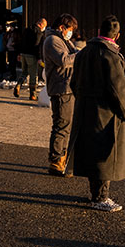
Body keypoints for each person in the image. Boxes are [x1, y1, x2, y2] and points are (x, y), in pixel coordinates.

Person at [68, 16, 125, 212]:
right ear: (118, 36)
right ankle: (100, 197)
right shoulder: (111, 56)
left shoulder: (83, 53)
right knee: (106, 154)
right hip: (105, 111)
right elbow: (119, 90)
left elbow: (74, 83)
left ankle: (95, 193)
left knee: (91, 151)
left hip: (84, 108)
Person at [39, 15, 79, 175]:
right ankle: (56, 160)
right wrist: (80, 55)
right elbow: (63, 60)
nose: (71, 33)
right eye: (70, 29)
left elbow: (73, 53)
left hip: (67, 87)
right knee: (61, 125)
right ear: (62, 27)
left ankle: (62, 157)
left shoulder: (62, 40)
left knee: (65, 125)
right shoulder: (52, 41)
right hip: (61, 87)